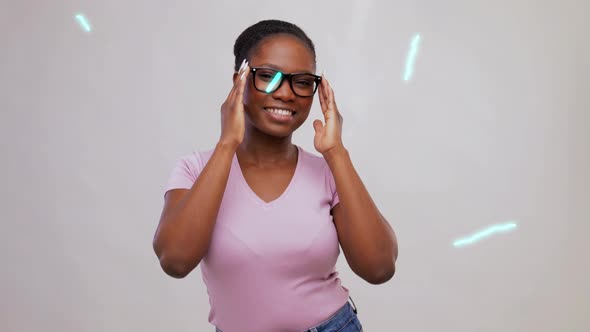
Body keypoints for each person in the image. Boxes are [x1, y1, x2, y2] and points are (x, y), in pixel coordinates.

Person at [153, 19, 398, 332]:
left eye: (302, 82)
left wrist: (336, 152)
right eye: (268, 77)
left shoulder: (328, 172)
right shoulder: (195, 169)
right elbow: (175, 260)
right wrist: (227, 143)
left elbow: (379, 268)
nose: (285, 93)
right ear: (238, 81)